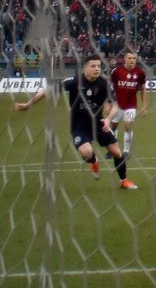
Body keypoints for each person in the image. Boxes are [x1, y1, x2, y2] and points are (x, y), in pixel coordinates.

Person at [13, 55, 137, 189]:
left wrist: (108, 119)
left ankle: (124, 181)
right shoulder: (74, 82)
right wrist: (28, 104)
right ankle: (93, 160)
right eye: (93, 66)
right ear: (84, 67)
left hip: (98, 123)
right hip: (79, 125)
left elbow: (115, 104)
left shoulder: (104, 83)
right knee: (86, 153)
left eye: (99, 66)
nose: (96, 69)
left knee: (117, 153)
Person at [109, 50, 146, 156]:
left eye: (134, 58)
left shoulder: (140, 73)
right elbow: (110, 88)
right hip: (117, 104)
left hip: (131, 105)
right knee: (113, 127)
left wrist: (143, 106)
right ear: (124, 59)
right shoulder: (116, 71)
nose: (132, 60)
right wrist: (109, 103)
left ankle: (126, 151)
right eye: (130, 58)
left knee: (128, 126)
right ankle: (112, 147)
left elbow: (143, 89)